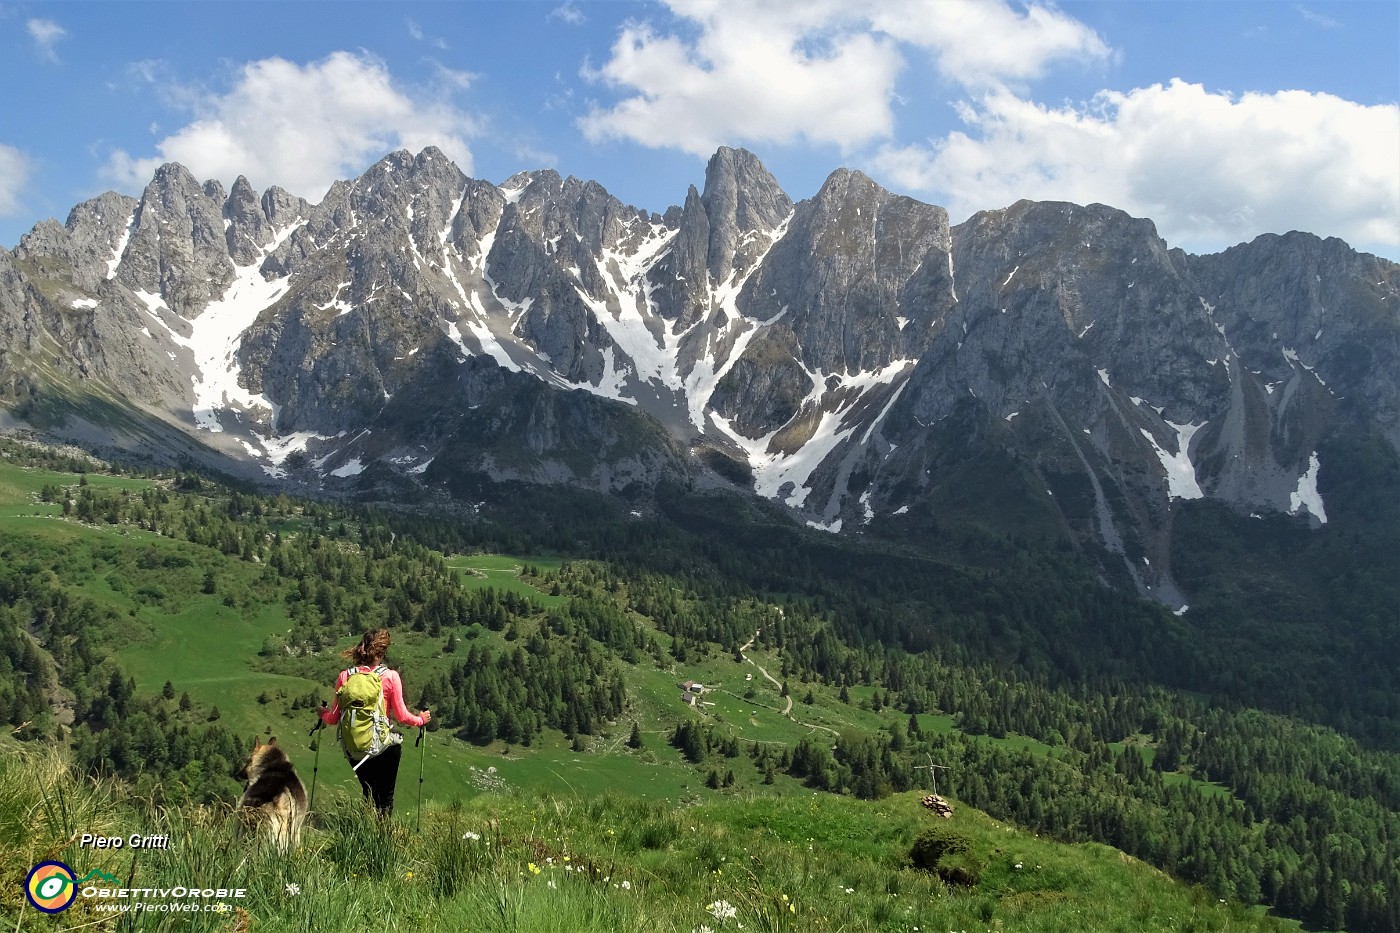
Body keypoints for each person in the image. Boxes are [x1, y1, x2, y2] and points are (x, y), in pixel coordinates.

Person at [319, 628, 431, 814]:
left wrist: (321, 712)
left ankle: (365, 835)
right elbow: (403, 717)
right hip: (382, 747)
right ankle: (382, 839)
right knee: (385, 797)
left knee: (368, 793)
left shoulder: (345, 677)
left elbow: (333, 718)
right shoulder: (390, 676)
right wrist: (421, 719)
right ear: (383, 651)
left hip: (354, 748)